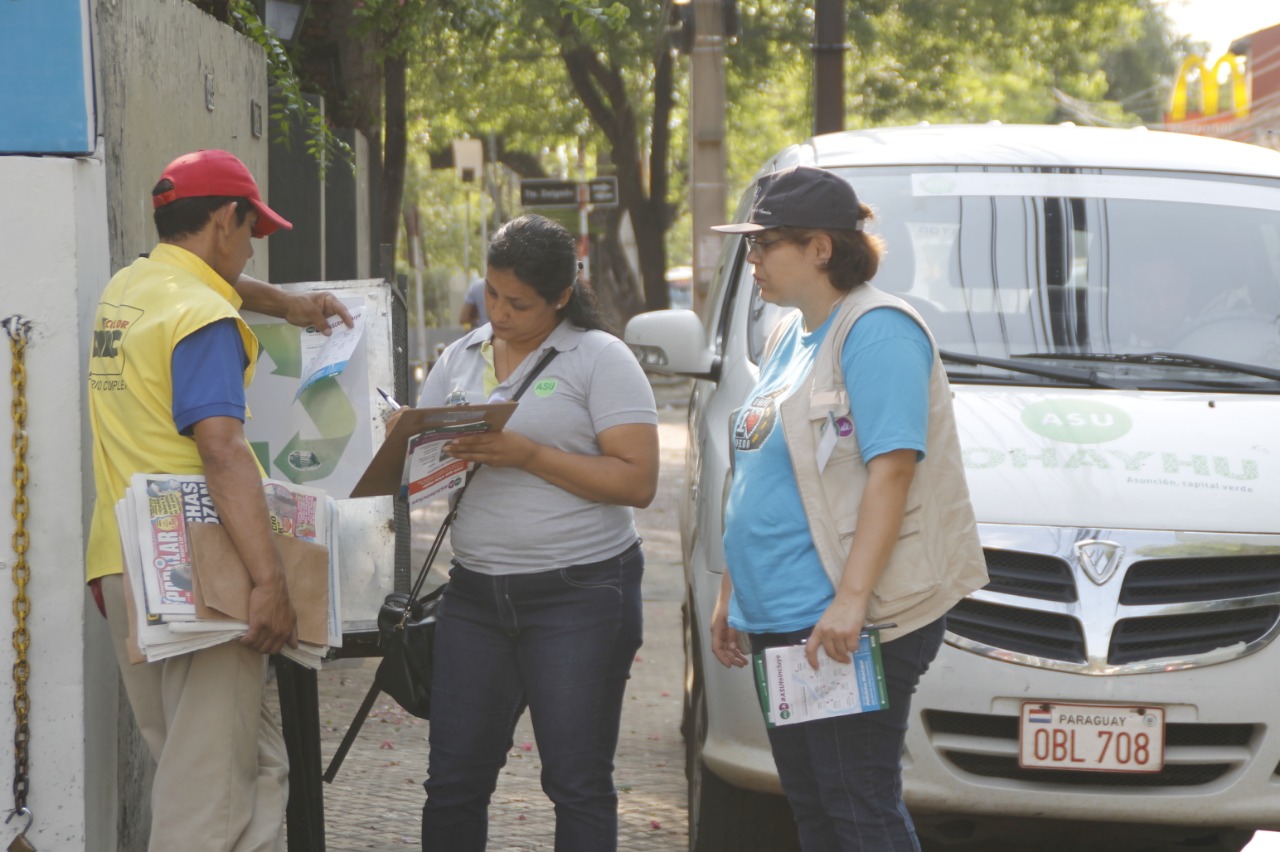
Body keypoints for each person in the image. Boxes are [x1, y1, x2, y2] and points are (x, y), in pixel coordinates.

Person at [708, 165, 989, 851]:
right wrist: (731, 590)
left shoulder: (878, 330)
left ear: (820, 248)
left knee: (856, 804)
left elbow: (892, 471)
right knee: (814, 804)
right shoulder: (788, 333)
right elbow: (760, 471)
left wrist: (851, 601)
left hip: (841, 621)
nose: (752, 259)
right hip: (785, 616)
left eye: (763, 243)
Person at [86, 148, 350, 851]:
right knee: (211, 801)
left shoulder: (129, 290)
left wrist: (286, 305)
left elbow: (212, 284)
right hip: (205, 576)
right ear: (226, 218)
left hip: (128, 568)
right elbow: (222, 450)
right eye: (252, 230)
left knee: (238, 770)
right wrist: (269, 581)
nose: (253, 247)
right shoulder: (203, 320)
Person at [410, 213, 659, 851]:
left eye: (518, 304)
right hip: (475, 595)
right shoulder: (460, 357)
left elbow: (638, 481)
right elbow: (419, 466)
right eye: (492, 294)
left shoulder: (600, 358)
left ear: (562, 296)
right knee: (453, 782)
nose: (499, 313)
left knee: (577, 783)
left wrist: (528, 455)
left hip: (581, 594)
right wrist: (416, 450)